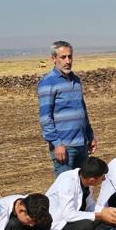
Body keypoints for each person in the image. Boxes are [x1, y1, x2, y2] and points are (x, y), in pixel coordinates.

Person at [38, 40, 98, 177]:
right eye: (63, 57)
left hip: (81, 145)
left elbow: (83, 111)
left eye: (70, 57)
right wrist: (57, 143)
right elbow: (45, 118)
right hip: (64, 147)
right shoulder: (48, 82)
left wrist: (90, 136)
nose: (68, 61)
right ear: (53, 59)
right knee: (65, 190)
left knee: (83, 187)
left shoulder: (76, 80)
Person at [46, 157, 116, 230]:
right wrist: (99, 215)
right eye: (102, 177)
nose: (104, 179)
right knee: (86, 226)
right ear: (92, 179)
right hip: (57, 228)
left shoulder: (85, 181)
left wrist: (107, 211)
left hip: (72, 225)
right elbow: (68, 215)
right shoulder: (67, 182)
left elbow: (90, 207)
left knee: (109, 219)